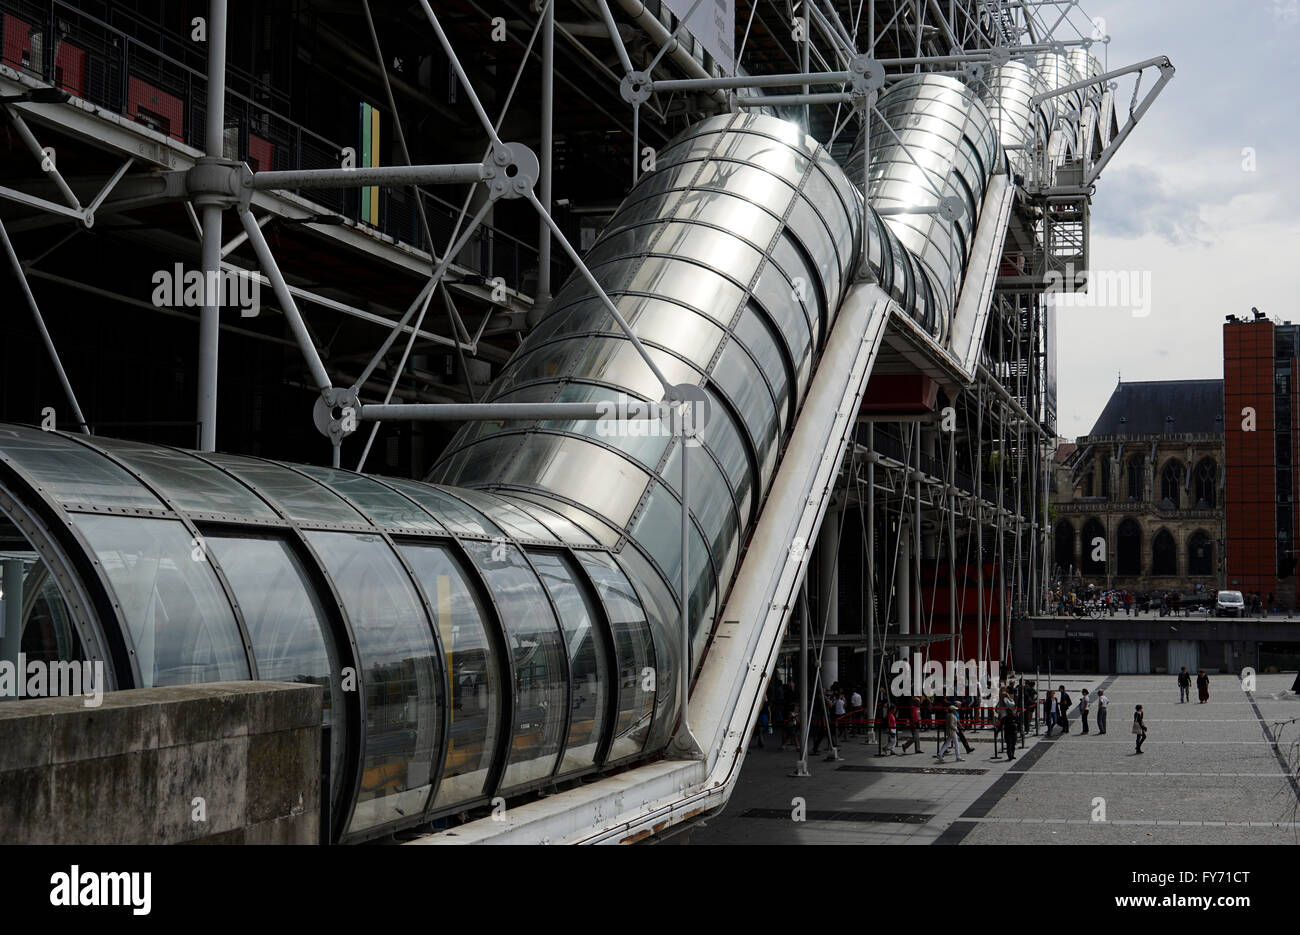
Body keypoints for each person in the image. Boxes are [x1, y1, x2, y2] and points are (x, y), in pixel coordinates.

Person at [1000, 687, 1018, 759]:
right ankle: (1010, 756)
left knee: (1012, 744)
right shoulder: (1005, 699)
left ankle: (1011, 755)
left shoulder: (1002, 700)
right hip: (1008, 727)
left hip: (1012, 728)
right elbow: (1012, 705)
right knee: (1009, 744)